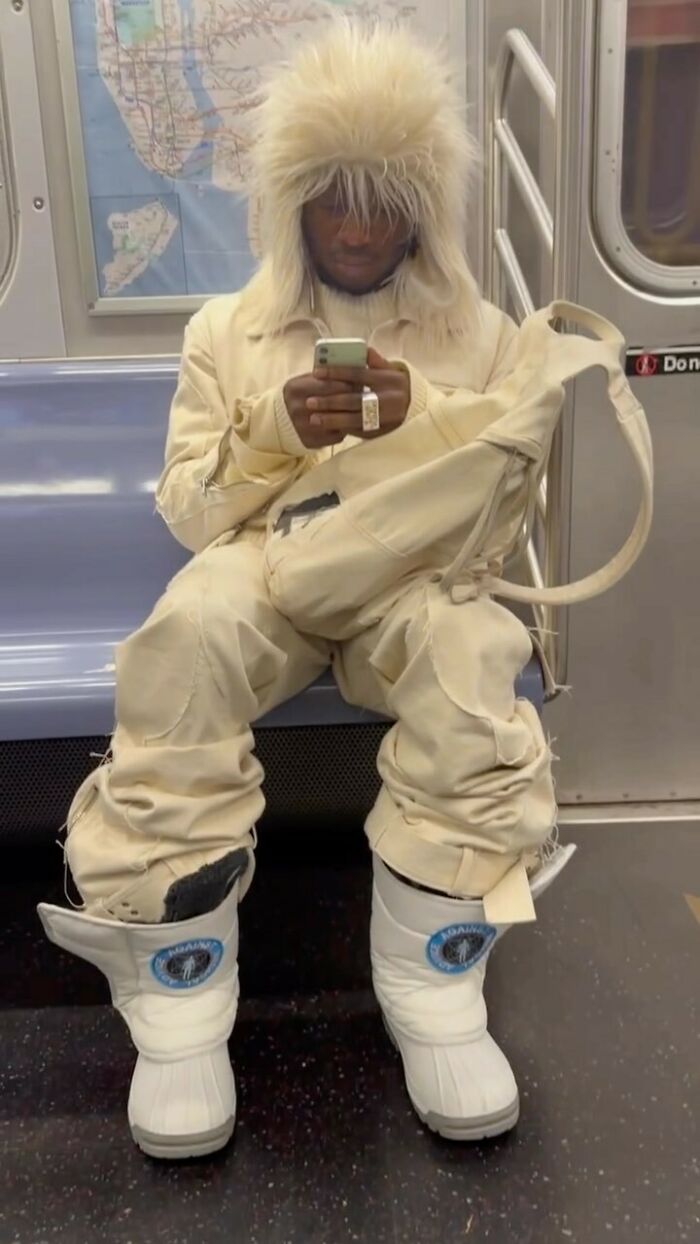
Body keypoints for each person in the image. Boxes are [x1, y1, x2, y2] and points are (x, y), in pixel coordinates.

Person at [38, 21, 576, 1160]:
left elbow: (500, 517)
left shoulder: (476, 334)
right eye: (333, 196)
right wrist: (276, 427)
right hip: (267, 564)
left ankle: (433, 986)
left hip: (410, 576)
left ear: (422, 205)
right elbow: (189, 514)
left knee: (472, 655)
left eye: (384, 199)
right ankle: (182, 1001)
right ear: (292, 200)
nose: (359, 227)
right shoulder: (224, 332)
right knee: (184, 634)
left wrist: (422, 427)